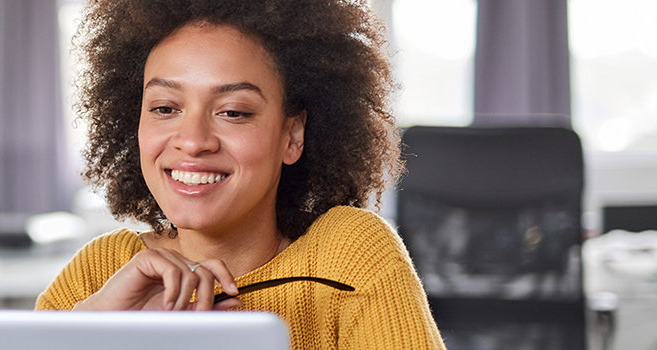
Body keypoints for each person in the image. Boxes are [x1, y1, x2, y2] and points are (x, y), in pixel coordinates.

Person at [36, 0, 445, 348]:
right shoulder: (99, 274)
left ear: (292, 135)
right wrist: (89, 333)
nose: (193, 141)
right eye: (164, 108)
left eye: (233, 112)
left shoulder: (349, 257)